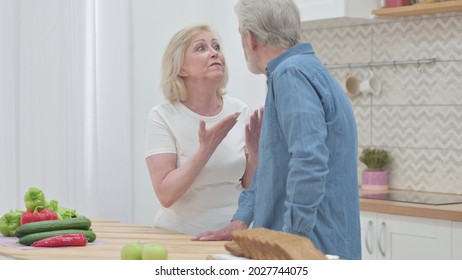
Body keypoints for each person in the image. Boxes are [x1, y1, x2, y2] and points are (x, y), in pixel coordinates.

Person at [193, 0, 361, 260]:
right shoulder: (306, 71)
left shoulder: (289, 75)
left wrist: (288, 240)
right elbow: (276, 168)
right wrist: (241, 221)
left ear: (250, 38)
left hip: (312, 250)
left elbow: (309, 161)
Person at [145, 24, 261, 235]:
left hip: (234, 234)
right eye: (201, 48)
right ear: (181, 68)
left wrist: (254, 153)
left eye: (216, 46)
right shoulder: (163, 116)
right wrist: (206, 149)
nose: (214, 53)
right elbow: (165, 194)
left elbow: (249, 185)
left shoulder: (239, 109)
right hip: (179, 236)